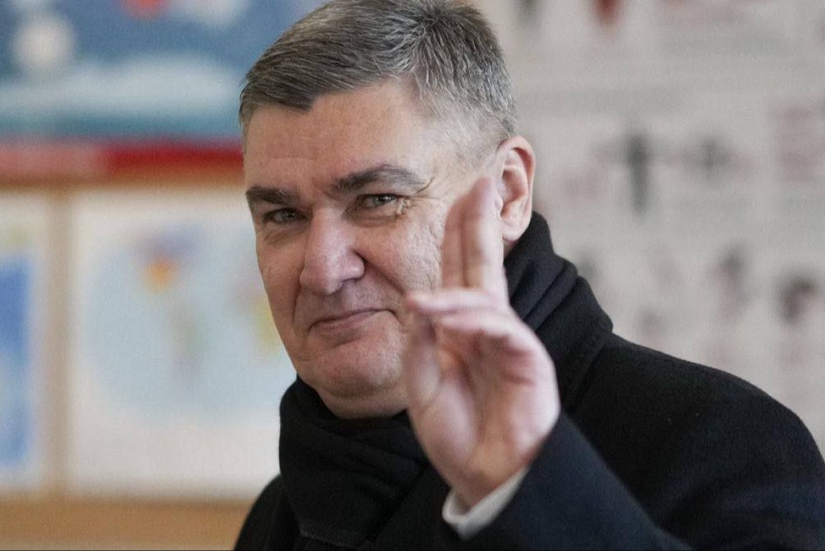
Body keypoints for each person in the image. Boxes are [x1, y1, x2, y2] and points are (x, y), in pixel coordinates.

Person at [234, 0, 825, 548]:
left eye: (378, 200)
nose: (323, 270)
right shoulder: (277, 517)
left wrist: (523, 484)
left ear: (508, 194)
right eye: (283, 215)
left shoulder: (723, 445)